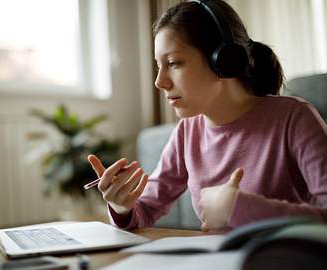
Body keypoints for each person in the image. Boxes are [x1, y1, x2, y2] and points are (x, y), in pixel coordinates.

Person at [88, 0, 327, 231]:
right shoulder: (186, 132)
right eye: (159, 65)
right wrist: (121, 207)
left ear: (223, 60)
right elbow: (145, 209)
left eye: (173, 63)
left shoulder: (294, 118)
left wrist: (242, 208)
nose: (159, 82)